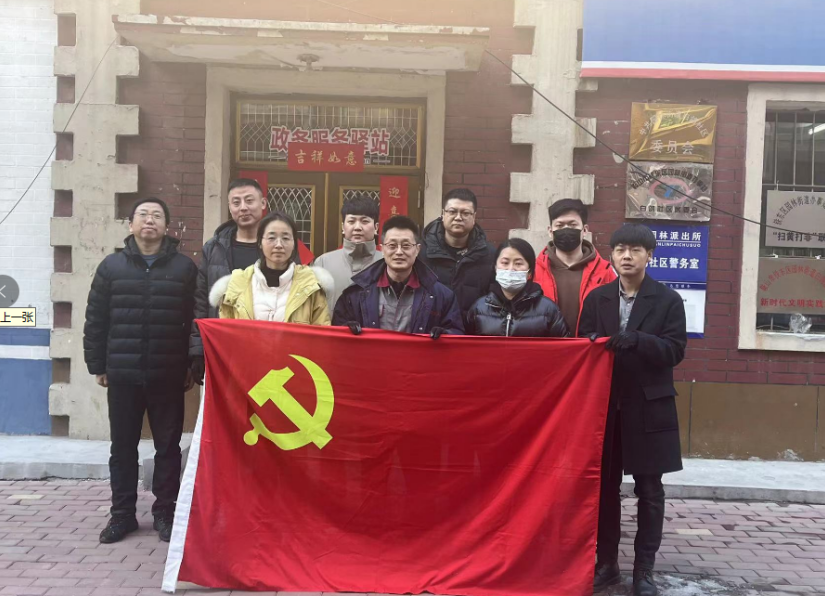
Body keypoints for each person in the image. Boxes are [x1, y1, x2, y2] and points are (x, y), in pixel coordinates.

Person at [578, 224, 687, 596]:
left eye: (636, 250)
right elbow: (583, 346)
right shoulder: (597, 299)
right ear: (611, 254)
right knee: (604, 489)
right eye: (621, 249)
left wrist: (639, 340)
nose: (627, 256)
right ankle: (606, 563)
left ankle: (644, 570)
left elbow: (675, 350)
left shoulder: (668, 299)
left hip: (649, 406)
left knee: (650, 491)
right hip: (605, 409)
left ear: (649, 255)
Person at [83, 198, 197, 544]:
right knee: (122, 448)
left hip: (168, 373)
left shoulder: (184, 268)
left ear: (167, 226)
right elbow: (95, 319)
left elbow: (194, 321)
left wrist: (191, 364)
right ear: (131, 224)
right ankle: (122, 515)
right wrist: (97, 365)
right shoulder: (111, 267)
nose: (150, 220)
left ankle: (165, 512)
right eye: (143, 215)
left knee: (168, 448)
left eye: (157, 216)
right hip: (123, 373)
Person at [190, 178, 268, 382]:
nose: (243, 208)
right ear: (229, 207)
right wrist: (198, 348)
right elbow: (201, 300)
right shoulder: (213, 248)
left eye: (249, 200)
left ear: (263, 203)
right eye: (236, 202)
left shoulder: (280, 246)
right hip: (222, 347)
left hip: (267, 346)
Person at [332, 215, 464, 336]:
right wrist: (346, 330)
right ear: (382, 249)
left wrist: (446, 335)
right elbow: (337, 335)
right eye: (392, 245)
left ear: (417, 250)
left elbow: (456, 334)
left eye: (406, 245)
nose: (399, 252)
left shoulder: (441, 296)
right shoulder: (355, 294)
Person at [209, 211, 332, 324]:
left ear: (294, 243)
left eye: (285, 238)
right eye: (271, 238)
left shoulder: (310, 285)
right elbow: (226, 333)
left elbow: (321, 334)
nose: (279, 245)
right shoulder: (237, 284)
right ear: (260, 242)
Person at [534, 198, 616, 335]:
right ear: (550, 231)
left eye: (572, 225)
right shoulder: (534, 270)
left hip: (588, 347)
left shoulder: (605, 271)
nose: (566, 229)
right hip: (546, 346)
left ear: (584, 230)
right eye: (560, 225)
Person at [466, 238, 569, 338]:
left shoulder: (548, 310)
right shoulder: (479, 308)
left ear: (529, 271)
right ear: (495, 268)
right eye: (505, 263)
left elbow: (563, 345)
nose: (511, 269)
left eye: (518, 263)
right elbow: (468, 345)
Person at [419, 188, 495, 316]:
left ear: (474, 217)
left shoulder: (489, 255)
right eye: (452, 211)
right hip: (431, 327)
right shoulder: (421, 252)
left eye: (465, 213)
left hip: (472, 327)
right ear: (443, 214)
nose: (458, 217)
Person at [313, 193, 383, 310]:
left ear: (376, 227)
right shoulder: (323, 263)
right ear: (343, 227)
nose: (357, 227)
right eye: (351, 221)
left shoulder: (386, 262)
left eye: (364, 221)